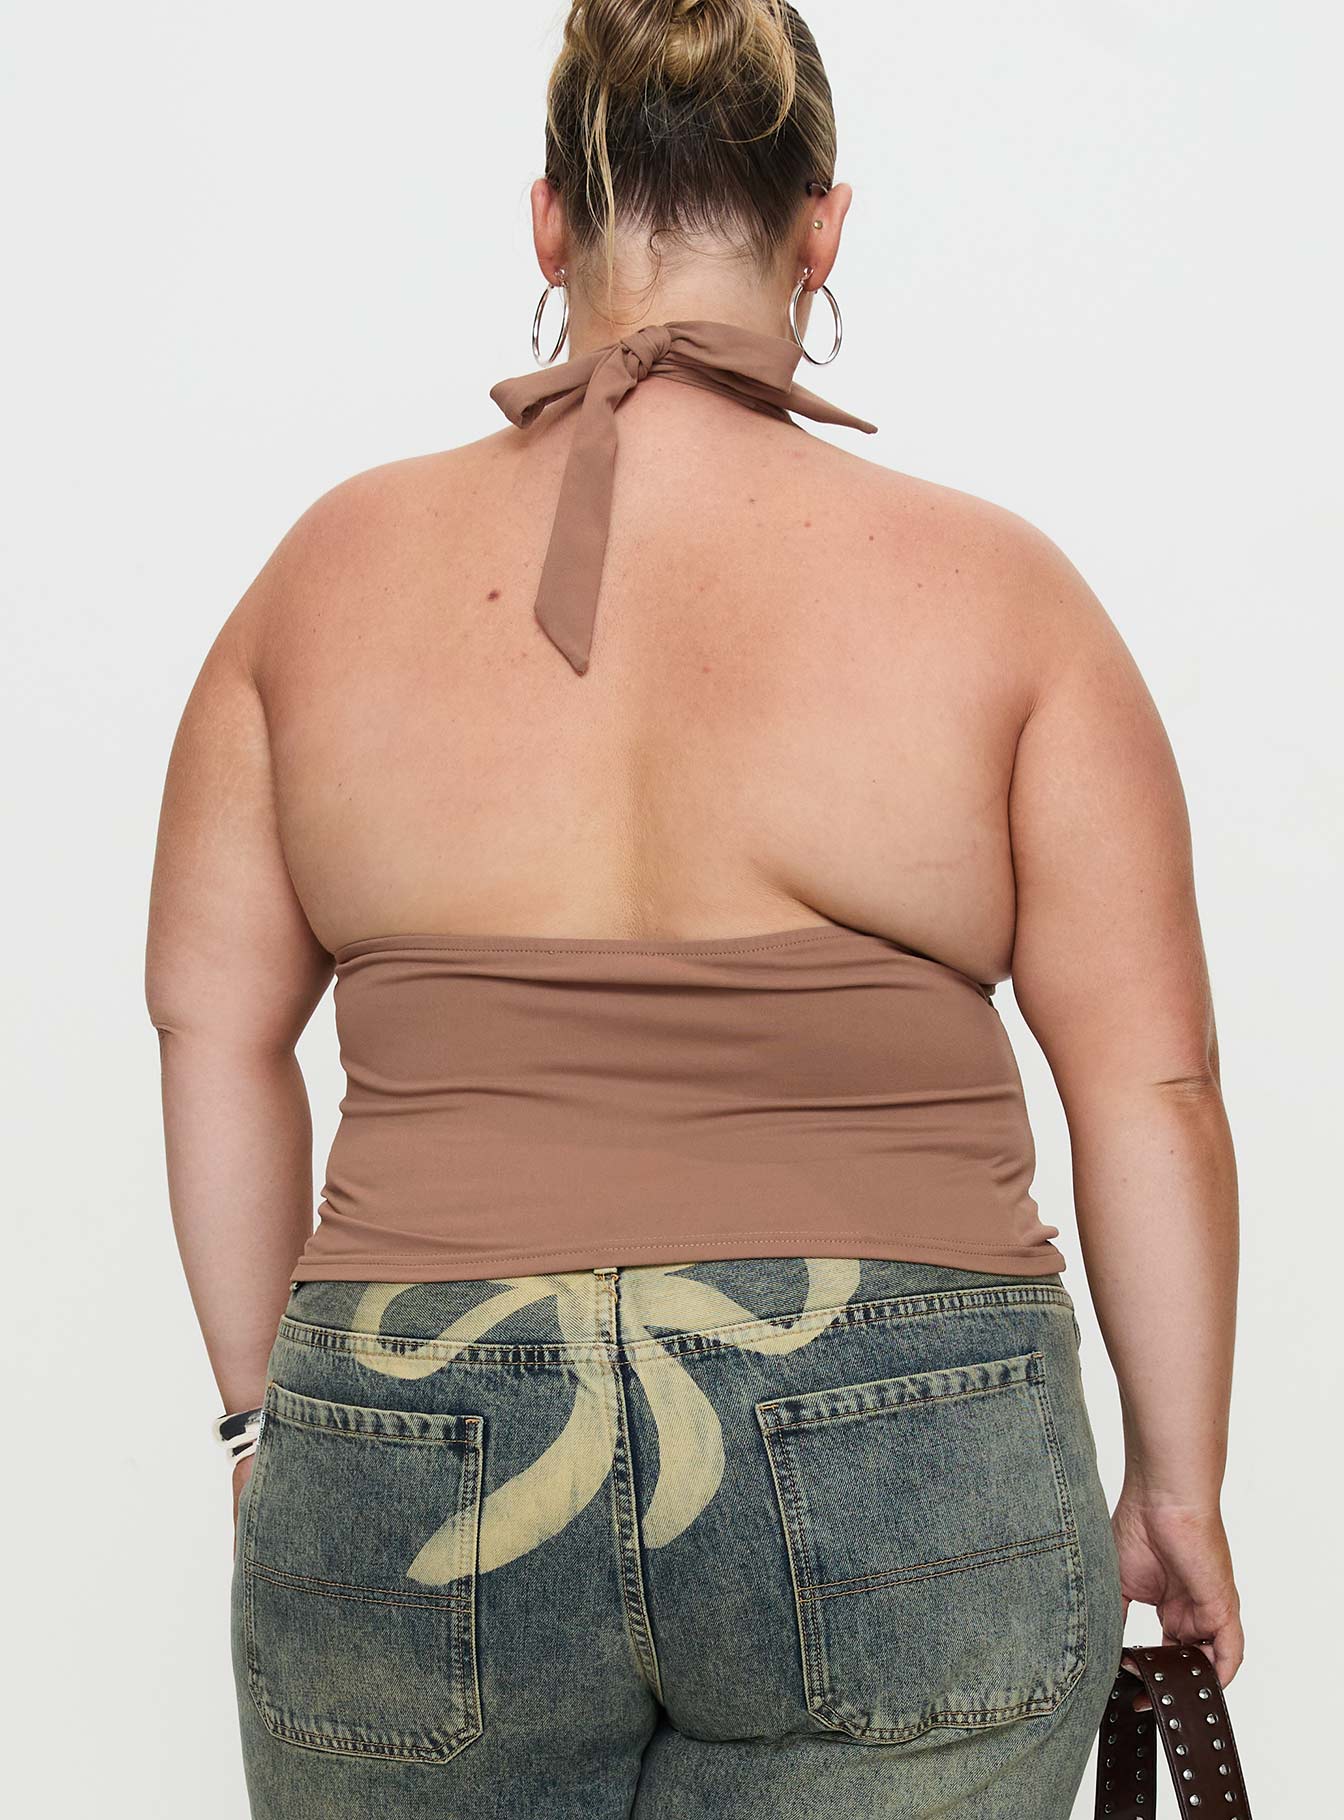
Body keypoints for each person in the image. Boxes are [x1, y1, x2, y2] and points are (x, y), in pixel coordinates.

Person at [144, 2, 1243, 1815]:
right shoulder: (1001, 594)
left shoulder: (320, 581)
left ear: (547, 226)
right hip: (910, 1425)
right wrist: (1177, 1488)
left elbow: (209, 1028)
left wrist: (277, 1419)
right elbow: (1156, 1087)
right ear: (822, 230)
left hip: (416, 1414)